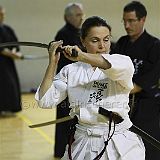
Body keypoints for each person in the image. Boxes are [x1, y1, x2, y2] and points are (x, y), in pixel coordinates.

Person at [35, 16, 145, 160]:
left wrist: (81, 56)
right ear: (82, 41)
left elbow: (106, 63)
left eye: (106, 39)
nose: (102, 46)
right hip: (82, 141)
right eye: (95, 40)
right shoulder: (71, 70)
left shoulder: (122, 62)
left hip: (118, 141)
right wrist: (53, 64)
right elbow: (45, 101)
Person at [110, 1, 160, 159]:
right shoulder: (121, 43)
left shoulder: (155, 46)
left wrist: (118, 90)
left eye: (131, 20)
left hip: (146, 106)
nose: (126, 25)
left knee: (148, 147)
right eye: (124, 20)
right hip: (122, 104)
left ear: (143, 19)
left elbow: (146, 80)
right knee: (123, 147)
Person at [53, 3, 84, 158]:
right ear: (67, 17)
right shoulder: (63, 34)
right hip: (67, 84)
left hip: (78, 84)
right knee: (65, 120)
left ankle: (71, 151)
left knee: (74, 120)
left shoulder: (79, 33)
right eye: (78, 15)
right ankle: (62, 151)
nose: (81, 17)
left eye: (81, 14)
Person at [0, 6, 22, 116]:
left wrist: (15, 51)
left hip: (8, 63)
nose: (2, 16)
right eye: (0, 14)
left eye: (3, 14)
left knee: (12, 84)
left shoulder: (7, 29)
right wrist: (11, 53)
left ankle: (10, 108)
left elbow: (14, 44)